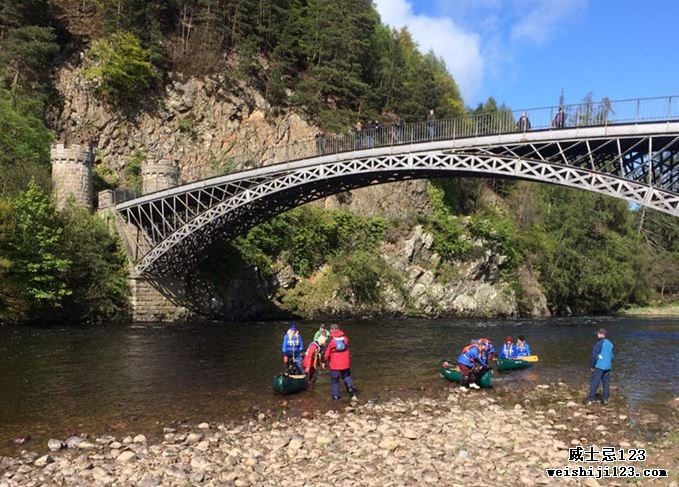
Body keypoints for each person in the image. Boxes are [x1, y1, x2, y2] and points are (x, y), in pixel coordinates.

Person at [324, 324, 357, 400]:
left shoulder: (330, 340)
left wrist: (324, 362)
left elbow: (326, 353)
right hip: (345, 363)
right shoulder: (345, 338)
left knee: (334, 381)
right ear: (339, 329)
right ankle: (350, 388)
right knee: (346, 376)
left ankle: (336, 396)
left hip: (335, 364)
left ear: (331, 330)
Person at [584, 328, 614, 405]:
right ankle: (605, 399)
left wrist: (592, 366)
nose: (597, 335)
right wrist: (609, 364)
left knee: (595, 382)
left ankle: (591, 399)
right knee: (606, 383)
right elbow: (612, 356)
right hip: (607, 366)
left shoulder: (599, 343)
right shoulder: (610, 343)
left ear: (601, 334)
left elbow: (594, 356)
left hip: (599, 366)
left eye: (598, 333)